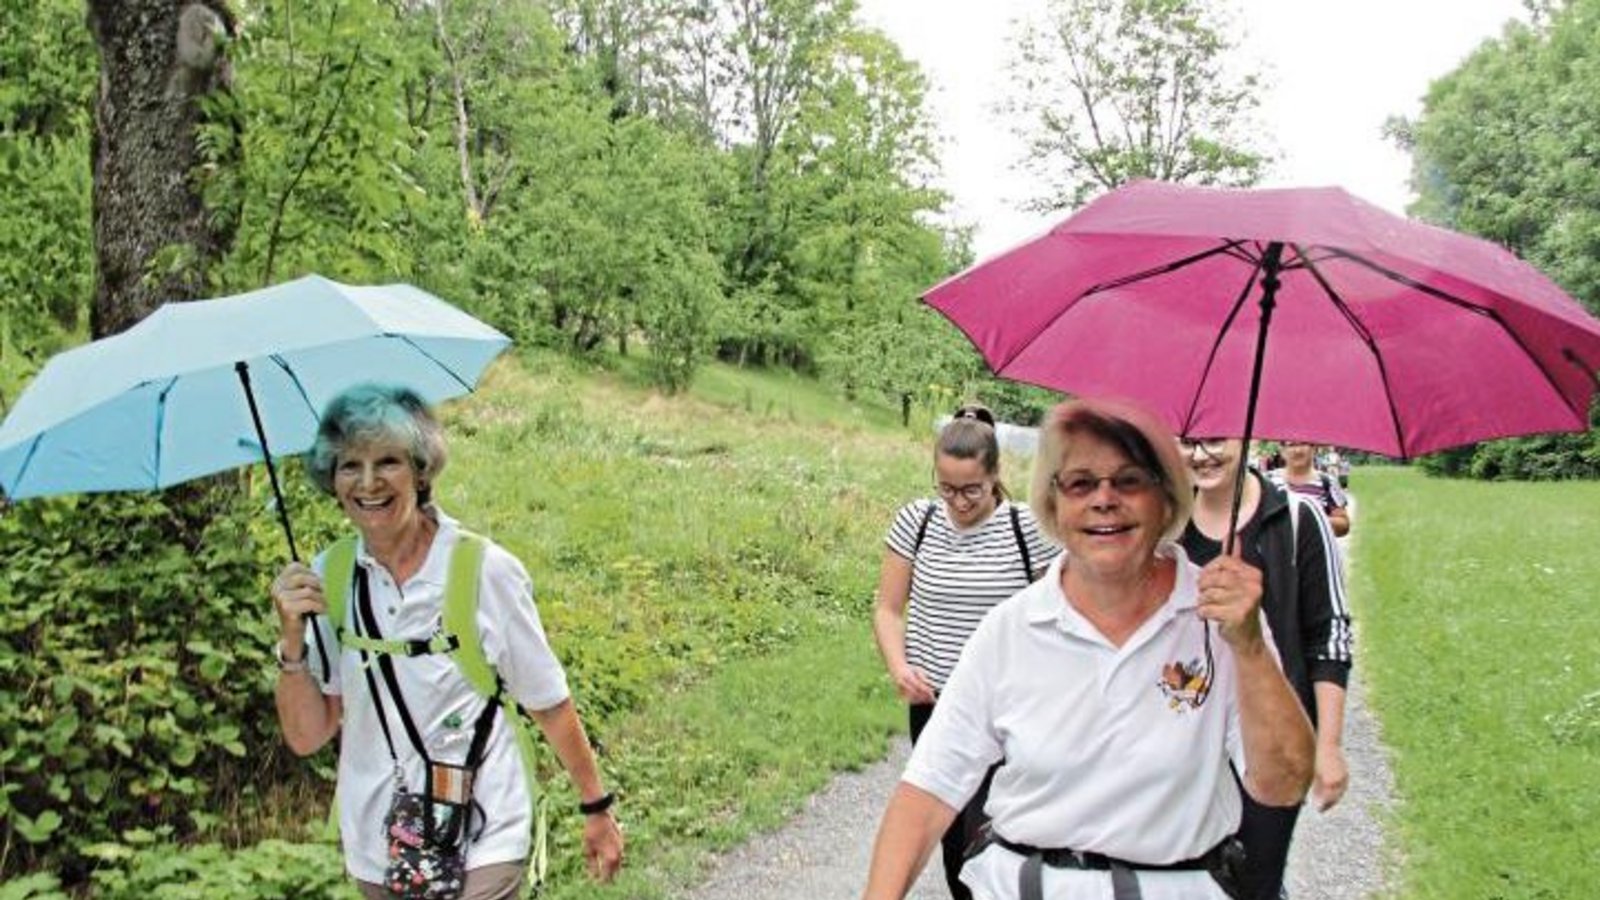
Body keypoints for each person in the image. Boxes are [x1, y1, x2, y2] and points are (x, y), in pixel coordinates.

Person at [863, 398, 1315, 900]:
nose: (1104, 499)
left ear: (1166, 496)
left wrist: (1250, 647)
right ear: (1053, 503)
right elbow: (928, 791)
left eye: (1128, 480)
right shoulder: (1011, 630)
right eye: (1080, 482)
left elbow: (1283, 784)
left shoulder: (1218, 622)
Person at [269, 384, 623, 898]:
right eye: (350, 466)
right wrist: (293, 644)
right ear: (332, 478)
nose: (368, 483)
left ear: (420, 469)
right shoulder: (328, 577)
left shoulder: (484, 571)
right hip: (380, 838)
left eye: (387, 461)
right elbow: (307, 736)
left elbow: (548, 703)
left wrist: (596, 807)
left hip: (485, 825)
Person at [872, 402, 1060, 900]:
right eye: (946, 487)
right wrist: (899, 667)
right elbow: (888, 609)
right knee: (953, 838)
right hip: (934, 708)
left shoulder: (1028, 530)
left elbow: (1056, 617)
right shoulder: (916, 521)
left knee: (1000, 830)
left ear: (995, 475)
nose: (958, 501)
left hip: (1007, 712)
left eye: (971, 489)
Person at [1179, 436, 1353, 900]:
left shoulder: (1298, 519)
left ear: (1247, 438)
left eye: (1215, 440)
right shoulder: (1163, 522)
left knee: (1255, 879)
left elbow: (1329, 638)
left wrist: (1329, 746)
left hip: (1272, 739)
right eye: (1188, 442)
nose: (1201, 455)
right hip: (1184, 741)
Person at [1270, 441, 1350, 537]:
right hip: (1274, 550)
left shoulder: (1327, 482)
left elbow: (1344, 526)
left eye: (1303, 443)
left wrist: (1313, 520)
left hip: (1314, 550)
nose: (1298, 450)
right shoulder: (1267, 481)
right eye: (1291, 445)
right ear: (1282, 450)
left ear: (1314, 448)